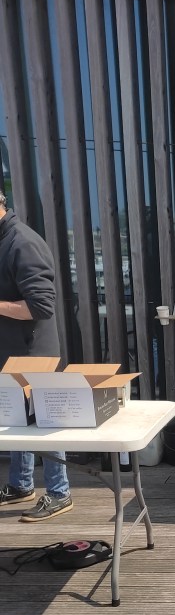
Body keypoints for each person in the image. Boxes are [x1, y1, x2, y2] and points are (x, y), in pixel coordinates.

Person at [0, 191, 73, 521]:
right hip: (11, 352)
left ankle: (59, 492)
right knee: (16, 420)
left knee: (44, 422)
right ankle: (21, 485)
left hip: (33, 354)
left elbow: (41, 306)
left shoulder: (22, 242)